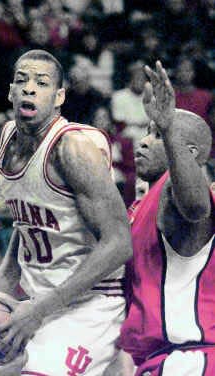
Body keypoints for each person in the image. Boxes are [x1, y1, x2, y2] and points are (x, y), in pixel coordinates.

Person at [0, 49, 132, 375]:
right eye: (22, 81)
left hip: (90, 306)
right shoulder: (3, 145)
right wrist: (1, 284)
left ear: (59, 96)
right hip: (39, 305)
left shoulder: (73, 150)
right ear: (10, 91)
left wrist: (39, 309)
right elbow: (26, 225)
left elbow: (119, 243)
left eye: (42, 82)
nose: (30, 88)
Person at [109, 61, 215, 375]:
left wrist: (169, 127)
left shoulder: (177, 191)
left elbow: (196, 208)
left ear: (191, 152)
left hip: (190, 357)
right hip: (159, 359)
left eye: (155, 135)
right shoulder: (141, 207)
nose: (143, 141)